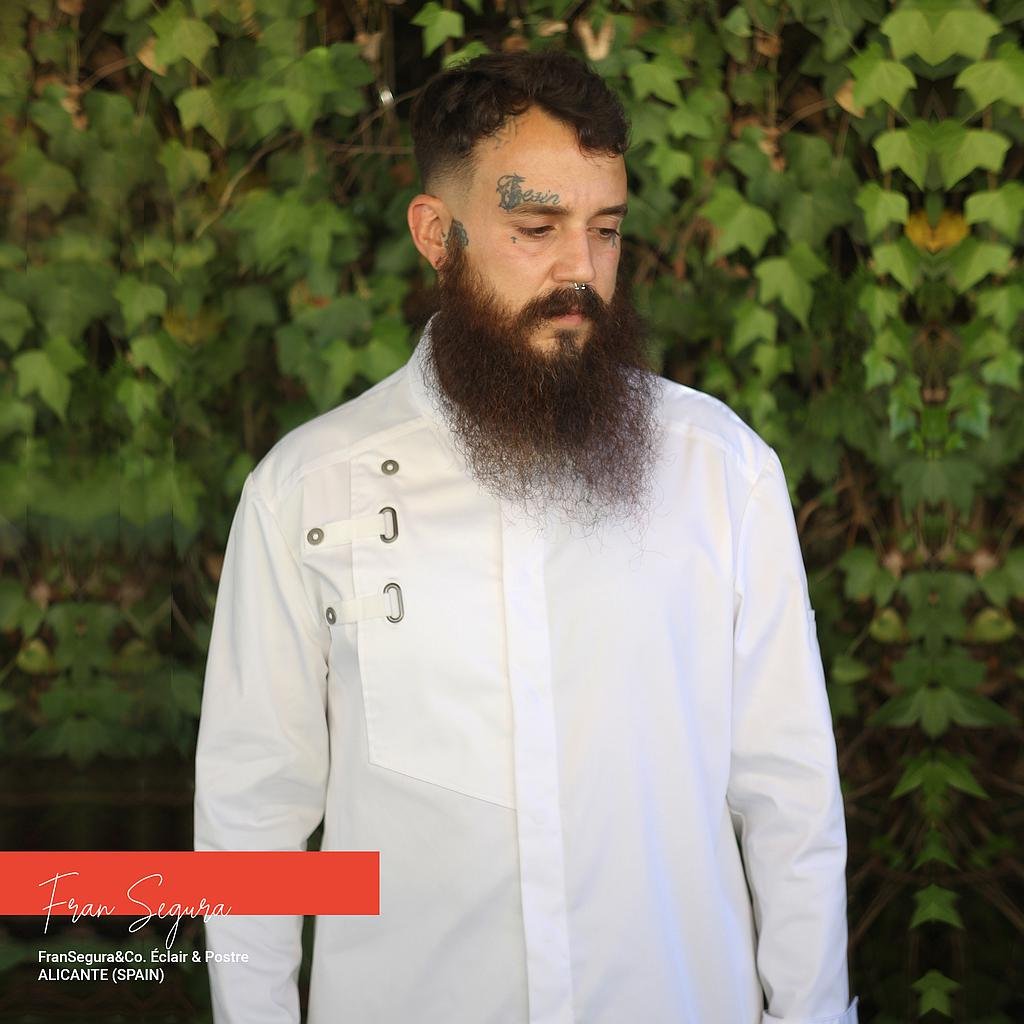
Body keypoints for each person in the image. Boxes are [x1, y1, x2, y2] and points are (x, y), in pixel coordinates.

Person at [194, 48, 859, 1024]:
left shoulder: (721, 473)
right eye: (536, 229)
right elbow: (252, 815)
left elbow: (790, 804)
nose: (579, 270)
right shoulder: (305, 492)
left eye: (605, 230)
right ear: (437, 233)